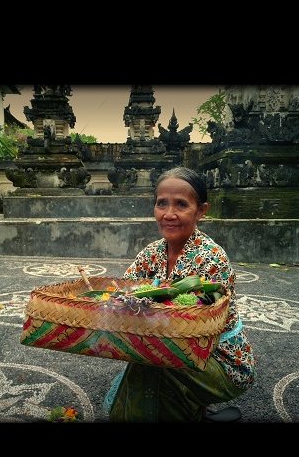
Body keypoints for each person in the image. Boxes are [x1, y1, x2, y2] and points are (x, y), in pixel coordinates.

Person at [105, 166, 255, 422]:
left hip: (217, 359)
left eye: (181, 204)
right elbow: (122, 293)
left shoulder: (212, 259)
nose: (169, 214)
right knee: (151, 360)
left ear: (201, 211)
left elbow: (193, 332)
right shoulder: (151, 254)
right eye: (161, 203)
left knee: (149, 363)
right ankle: (191, 409)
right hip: (169, 347)